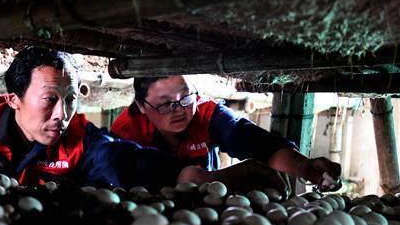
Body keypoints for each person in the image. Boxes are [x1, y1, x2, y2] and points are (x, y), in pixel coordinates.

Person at [0, 47, 288, 192]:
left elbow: (128, 161)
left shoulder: (80, 138)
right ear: (13, 100)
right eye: (50, 99)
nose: (62, 114)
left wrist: (204, 179)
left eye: (71, 99)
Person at [111, 75, 342, 190]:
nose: (179, 109)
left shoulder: (207, 113)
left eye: (186, 97)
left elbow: (254, 141)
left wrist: (303, 167)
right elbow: (129, 179)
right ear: (141, 106)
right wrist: (220, 179)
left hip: (208, 205)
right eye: (165, 103)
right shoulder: (126, 132)